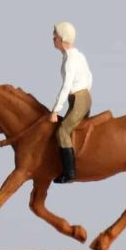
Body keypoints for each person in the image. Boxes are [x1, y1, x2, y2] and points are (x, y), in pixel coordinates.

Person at [49, 22, 93, 184]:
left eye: (55, 36)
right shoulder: (78, 55)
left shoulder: (70, 61)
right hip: (83, 97)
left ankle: (70, 173)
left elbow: (66, 86)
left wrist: (55, 110)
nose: (53, 39)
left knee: (62, 132)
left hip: (78, 100)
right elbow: (89, 77)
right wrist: (85, 91)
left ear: (62, 39)